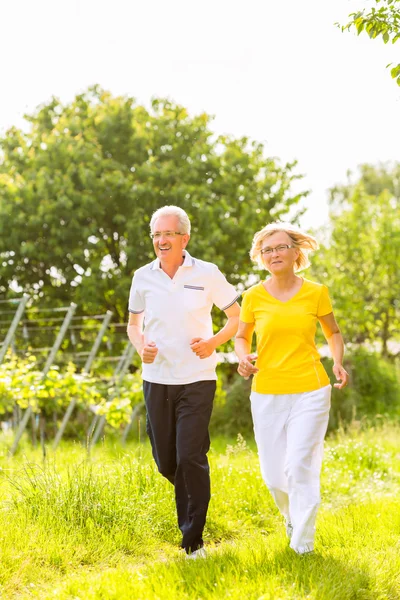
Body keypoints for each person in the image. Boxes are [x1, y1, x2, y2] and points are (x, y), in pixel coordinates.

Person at [127, 205, 240, 558]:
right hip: (157, 378)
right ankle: (195, 494)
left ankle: (193, 542)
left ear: (184, 238)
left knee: (191, 456)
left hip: (197, 379)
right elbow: (133, 325)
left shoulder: (207, 273)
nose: (161, 240)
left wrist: (213, 343)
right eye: (156, 234)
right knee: (167, 462)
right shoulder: (142, 277)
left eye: (168, 234)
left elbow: (237, 316)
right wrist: (140, 345)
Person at [235, 222, 348, 555]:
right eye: (267, 250)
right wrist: (243, 357)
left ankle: (303, 543)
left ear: (296, 252)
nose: (274, 254)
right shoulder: (253, 296)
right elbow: (242, 337)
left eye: (280, 247)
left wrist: (338, 361)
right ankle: (291, 517)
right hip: (267, 391)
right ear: (261, 257)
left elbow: (334, 333)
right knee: (274, 476)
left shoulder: (316, 292)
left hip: (310, 388)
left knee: (300, 463)